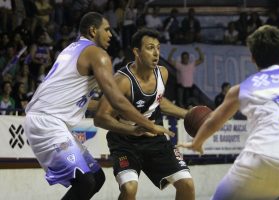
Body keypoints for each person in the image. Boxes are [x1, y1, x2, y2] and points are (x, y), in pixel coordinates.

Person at [24, 12, 173, 200]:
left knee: (96, 177)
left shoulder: (72, 49)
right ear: (93, 30)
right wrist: (149, 124)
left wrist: (129, 122)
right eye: (107, 30)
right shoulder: (98, 54)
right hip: (47, 121)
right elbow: (116, 99)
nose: (111, 34)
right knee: (85, 181)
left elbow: (91, 102)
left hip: (48, 118)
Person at [177, 25, 279, 199]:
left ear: (252, 58)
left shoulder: (242, 88)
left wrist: (197, 142)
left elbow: (213, 121)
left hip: (258, 162)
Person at [94, 28, 195, 200]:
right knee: (129, 188)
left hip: (155, 140)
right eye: (150, 47)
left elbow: (158, 101)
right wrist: (133, 130)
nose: (156, 53)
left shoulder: (163, 73)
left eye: (158, 47)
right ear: (136, 52)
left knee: (187, 184)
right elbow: (101, 118)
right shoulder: (122, 81)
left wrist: (188, 114)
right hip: (125, 142)